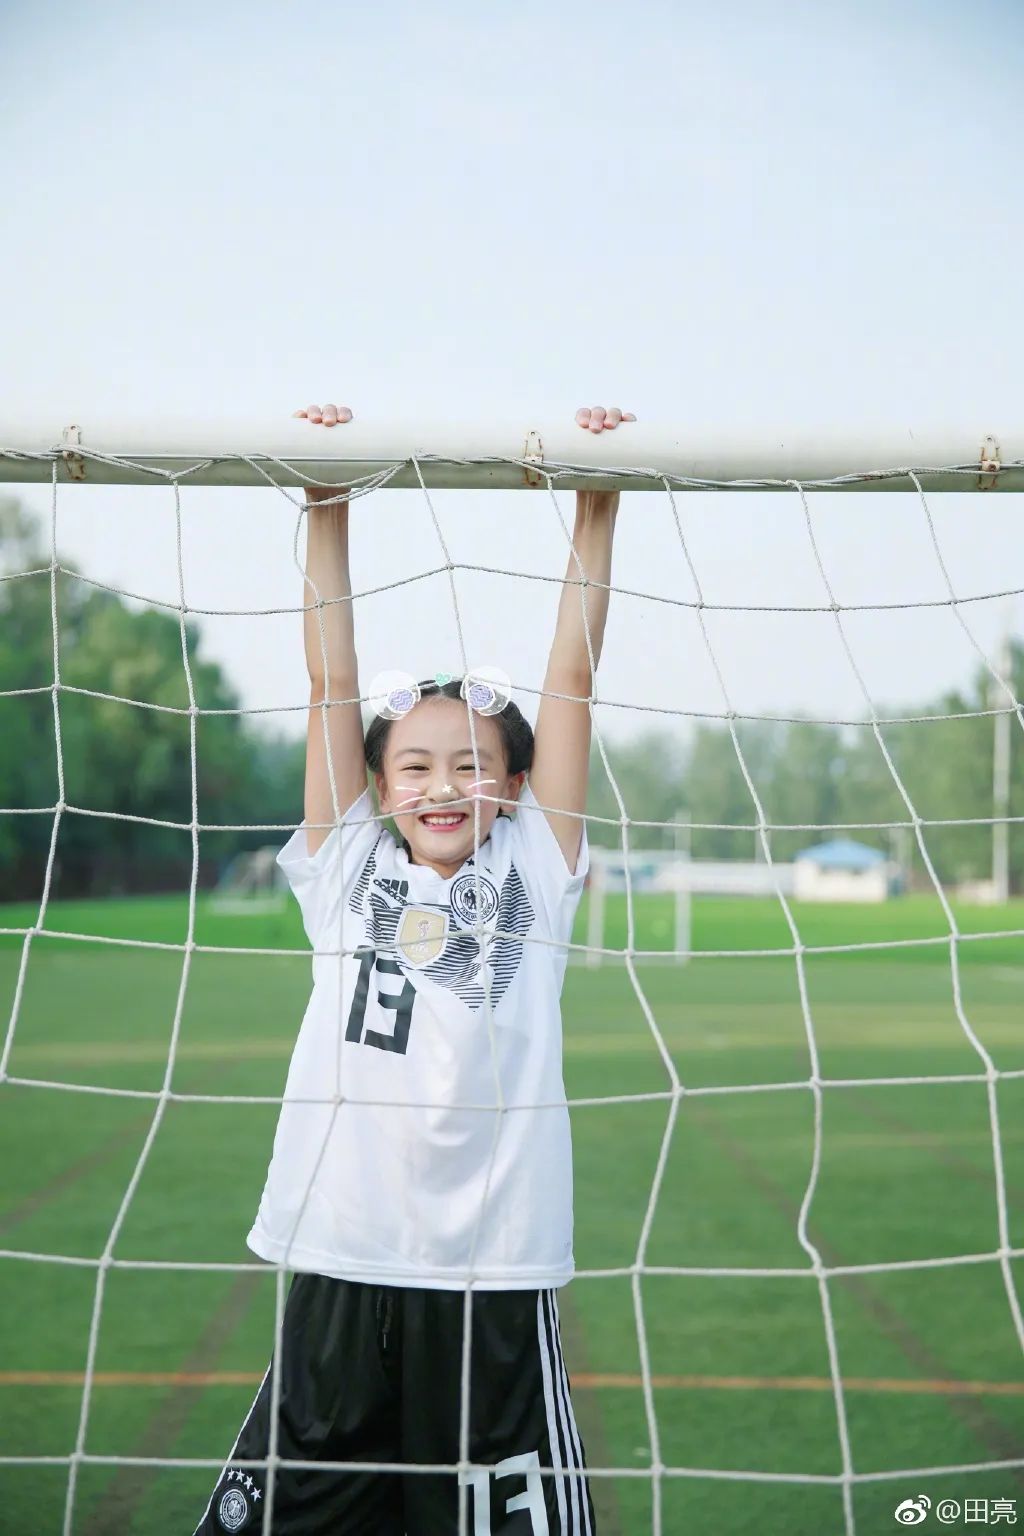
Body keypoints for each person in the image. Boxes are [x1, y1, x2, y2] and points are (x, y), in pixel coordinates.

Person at [192, 402, 635, 1535]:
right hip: (346, 1249)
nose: (445, 786)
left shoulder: (538, 867)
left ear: (516, 786)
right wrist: (326, 509)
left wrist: (597, 504)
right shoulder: (343, 872)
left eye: (475, 766)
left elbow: (572, 684)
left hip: (492, 1266)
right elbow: (329, 687)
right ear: (380, 784)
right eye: (419, 765)